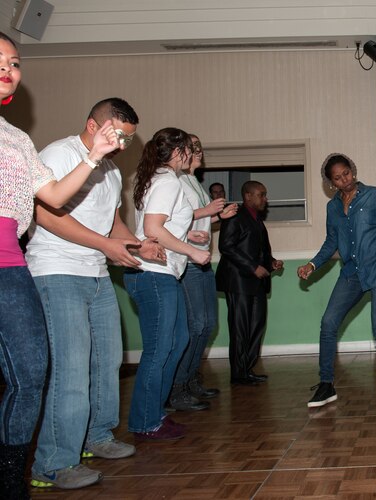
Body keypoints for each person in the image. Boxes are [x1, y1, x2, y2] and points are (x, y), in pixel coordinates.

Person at [0, 32, 122, 498]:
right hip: (54, 269)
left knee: (30, 378)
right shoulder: (45, 144)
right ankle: (50, 462)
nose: (9, 69)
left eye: (14, 62)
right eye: (0, 61)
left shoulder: (16, 138)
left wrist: (93, 157)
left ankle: (14, 479)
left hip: (11, 266)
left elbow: (50, 197)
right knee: (58, 372)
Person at [26, 98, 161, 490]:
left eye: (128, 139)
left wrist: (136, 245)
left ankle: (96, 436)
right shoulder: (60, 153)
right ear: (92, 125)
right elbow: (46, 212)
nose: (121, 145)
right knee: (70, 368)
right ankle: (52, 462)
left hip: (97, 274)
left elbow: (112, 221)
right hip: (57, 272)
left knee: (107, 361)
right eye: (116, 135)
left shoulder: (111, 171)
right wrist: (105, 245)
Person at [297, 153, 376, 408]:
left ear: (353, 170)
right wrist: (312, 264)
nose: (344, 180)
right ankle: (326, 385)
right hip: (352, 272)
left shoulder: (375, 196)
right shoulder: (333, 207)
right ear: (330, 183)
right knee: (328, 323)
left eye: (346, 173)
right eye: (337, 178)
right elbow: (331, 242)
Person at [125, 128, 210, 441]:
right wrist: (192, 251)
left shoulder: (156, 178)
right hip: (154, 274)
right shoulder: (168, 181)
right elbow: (152, 228)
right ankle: (145, 421)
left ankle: (153, 413)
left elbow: (157, 227)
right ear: (179, 152)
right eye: (190, 148)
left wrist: (186, 236)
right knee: (160, 349)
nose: (194, 154)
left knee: (177, 341)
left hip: (157, 273)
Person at [167, 134, 237, 412]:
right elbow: (172, 218)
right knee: (195, 326)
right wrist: (207, 211)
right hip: (189, 262)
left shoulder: (193, 181)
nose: (198, 151)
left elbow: (198, 217)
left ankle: (191, 379)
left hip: (203, 260)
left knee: (207, 325)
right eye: (192, 147)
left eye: (198, 147)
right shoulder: (174, 180)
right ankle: (177, 387)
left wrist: (219, 217)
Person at [216, 180, 283, 386]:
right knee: (240, 328)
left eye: (265, 194)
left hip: (257, 283)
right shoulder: (235, 216)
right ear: (248, 196)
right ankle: (238, 374)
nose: (265, 199)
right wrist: (252, 267)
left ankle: (247, 369)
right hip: (238, 282)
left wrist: (271, 263)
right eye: (261, 194)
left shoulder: (257, 220)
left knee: (256, 326)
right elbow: (226, 246)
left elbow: (259, 250)